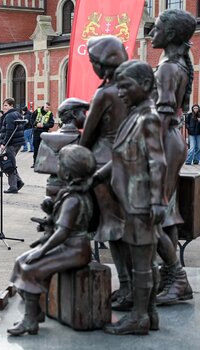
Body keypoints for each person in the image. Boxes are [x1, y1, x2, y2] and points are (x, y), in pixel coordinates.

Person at [96, 60, 167, 335]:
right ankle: (150, 313)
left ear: (146, 86)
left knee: (142, 264)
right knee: (145, 261)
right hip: (131, 201)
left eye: (126, 87)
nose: (121, 92)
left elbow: (158, 162)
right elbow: (119, 156)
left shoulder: (148, 117)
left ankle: (139, 317)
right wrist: (98, 176)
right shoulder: (133, 116)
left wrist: (158, 200)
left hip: (140, 202)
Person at [8, 144, 95, 336]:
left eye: (61, 165)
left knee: (31, 269)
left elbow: (62, 233)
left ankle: (30, 321)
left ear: (70, 171)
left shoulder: (73, 198)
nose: (58, 168)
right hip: (67, 246)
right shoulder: (70, 193)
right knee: (20, 261)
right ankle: (36, 311)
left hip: (75, 250)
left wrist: (42, 250)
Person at [80, 35, 130, 310]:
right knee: (123, 230)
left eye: (92, 62)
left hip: (103, 167)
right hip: (126, 165)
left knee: (113, 230)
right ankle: (130, 286)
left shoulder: (105, 94)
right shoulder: (131, 89)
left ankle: (127, 286)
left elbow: (87, 136)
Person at [149, 9, 195, 305]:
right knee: (165, 211)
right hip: (172, 140)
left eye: (156, 28)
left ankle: (176, 278)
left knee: (153, 211)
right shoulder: (176, 63)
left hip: (164, 141)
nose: (152, 33)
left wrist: (147, 149)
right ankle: (171, 277)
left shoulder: (168, 68)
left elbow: (163, 114)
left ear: (172, 35)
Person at [0, 98, 24, 193]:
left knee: (9, 164)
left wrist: (4, 143)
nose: (4, 107)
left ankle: (13, 186)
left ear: (11, 106)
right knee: (11, 163)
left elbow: (9, 131)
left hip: (11, 143)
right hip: (17, 142)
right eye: (4, 105)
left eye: (6, 105)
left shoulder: (9, 116)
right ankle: (18, 181)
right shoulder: (17, 114)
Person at [31, 102, 55, 167]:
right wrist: (36, 124)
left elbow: (51, 124)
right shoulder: (37, 111)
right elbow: (31, 119)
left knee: (44, 148)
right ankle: (35, 163)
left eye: (49, 108)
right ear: (44, 106)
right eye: (46, 107)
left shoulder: (50, 114)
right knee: (36, 148)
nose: (47, 109)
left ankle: (43, 163)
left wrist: (43, 125)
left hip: (44, 133)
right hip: (36, 132)